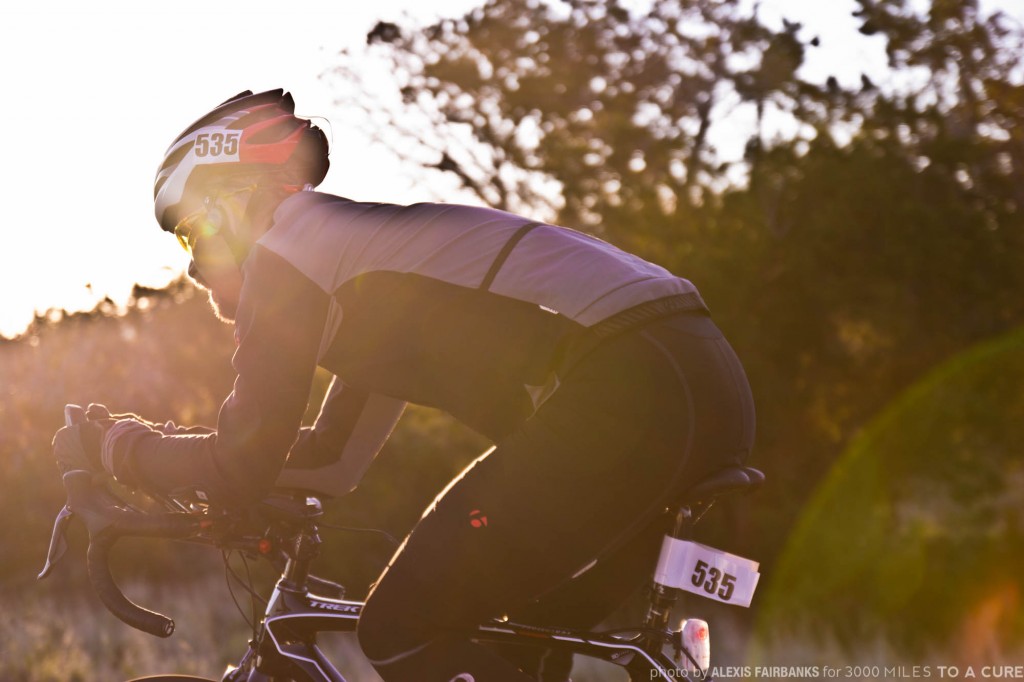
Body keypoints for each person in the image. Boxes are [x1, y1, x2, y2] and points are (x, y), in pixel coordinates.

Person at [53, 89, 755, 682]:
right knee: (522, 644)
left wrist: (124, 453)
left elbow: (244, 459)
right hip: (694, 378)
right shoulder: (364, 278)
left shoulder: (292, 247)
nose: (193, 269)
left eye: (190, 235)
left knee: (401, 625)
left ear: (236, 206)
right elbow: (329, 461)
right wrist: (165, 463)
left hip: (631, 381)